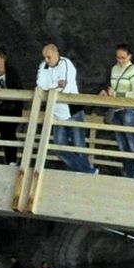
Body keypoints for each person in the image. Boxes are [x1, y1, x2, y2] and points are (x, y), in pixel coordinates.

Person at [37, 42, 96, 173]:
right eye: (45, 57)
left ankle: (83, 172)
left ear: (56, 53)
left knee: (79, 145)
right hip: (56, 113)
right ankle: (87, 171)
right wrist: (55, 84)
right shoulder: (43, 66)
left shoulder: (66, 64)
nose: (46, 60)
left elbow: (64, 86)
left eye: (49, 57)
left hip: (72, 110)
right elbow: (40, 85)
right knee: (58, 147)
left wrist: (50, 85)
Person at [102, 43, 134, 181]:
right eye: (118, 57)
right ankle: (128, 174)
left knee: (132, 144)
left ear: (130, 56)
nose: (120, 60)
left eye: (123, 58)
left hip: (129, 111)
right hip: (116, 110)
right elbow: (112, 87)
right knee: (122, 145)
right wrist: (107, 92)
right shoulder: (114, 69)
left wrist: (117, 94)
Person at [0, 48, 25, 164]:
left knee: (10, 135)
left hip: (12, 110)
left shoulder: (12, 72)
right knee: (4, 135)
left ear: (4, 59)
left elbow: (19, 90)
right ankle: (9, 160)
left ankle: (12, 161)